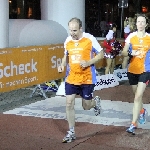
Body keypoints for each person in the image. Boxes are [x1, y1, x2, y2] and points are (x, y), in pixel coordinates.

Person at [58, 17, 104, 143]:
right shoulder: (68, 40)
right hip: (72, 77)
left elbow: (101, 54)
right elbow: (65, 55)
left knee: (86, 106)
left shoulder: (89, 39)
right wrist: (62, 64)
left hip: (87, 78)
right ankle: (71, 131)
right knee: (69, 103)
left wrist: (89, 62)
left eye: (75, 30)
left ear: (81, 29)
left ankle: (95, 102)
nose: (72, 33)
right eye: (70, 30)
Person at [122, 13, 150, 134]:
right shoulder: (131, 37)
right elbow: (123, 52)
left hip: (145, 71)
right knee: (136, 97)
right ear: (136, 24)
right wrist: (130, 53)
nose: (140, 24)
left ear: (146, 24)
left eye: (143, 22)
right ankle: (142, 111)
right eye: (138, 22)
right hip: (132, 70)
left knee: (138, 97)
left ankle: (133, 124)